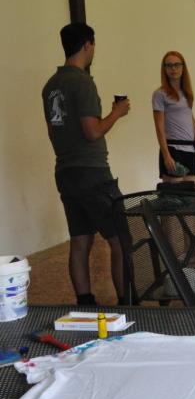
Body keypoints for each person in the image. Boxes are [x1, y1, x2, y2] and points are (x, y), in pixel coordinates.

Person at [42, 23, 130, 305]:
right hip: (92, 172)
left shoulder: (50, 86)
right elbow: (92, 132)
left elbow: (52, 132)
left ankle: (85, 302)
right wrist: (116, 113)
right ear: (87, 45)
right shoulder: (82, 82)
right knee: (120, 239)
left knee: (80, 240)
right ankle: (127, 302)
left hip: (65, 171)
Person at [152, 51, 195, 183]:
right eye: (169, 65)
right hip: (173, 150)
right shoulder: (160, 94)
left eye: (177, 64)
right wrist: (166, 156)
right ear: (164, 69)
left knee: (191, 193)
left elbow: (191, 121)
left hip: (190, 150)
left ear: (183, 67)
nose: (173, 68)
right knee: (175, 194)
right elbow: (159, 127)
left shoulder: (186, 94)